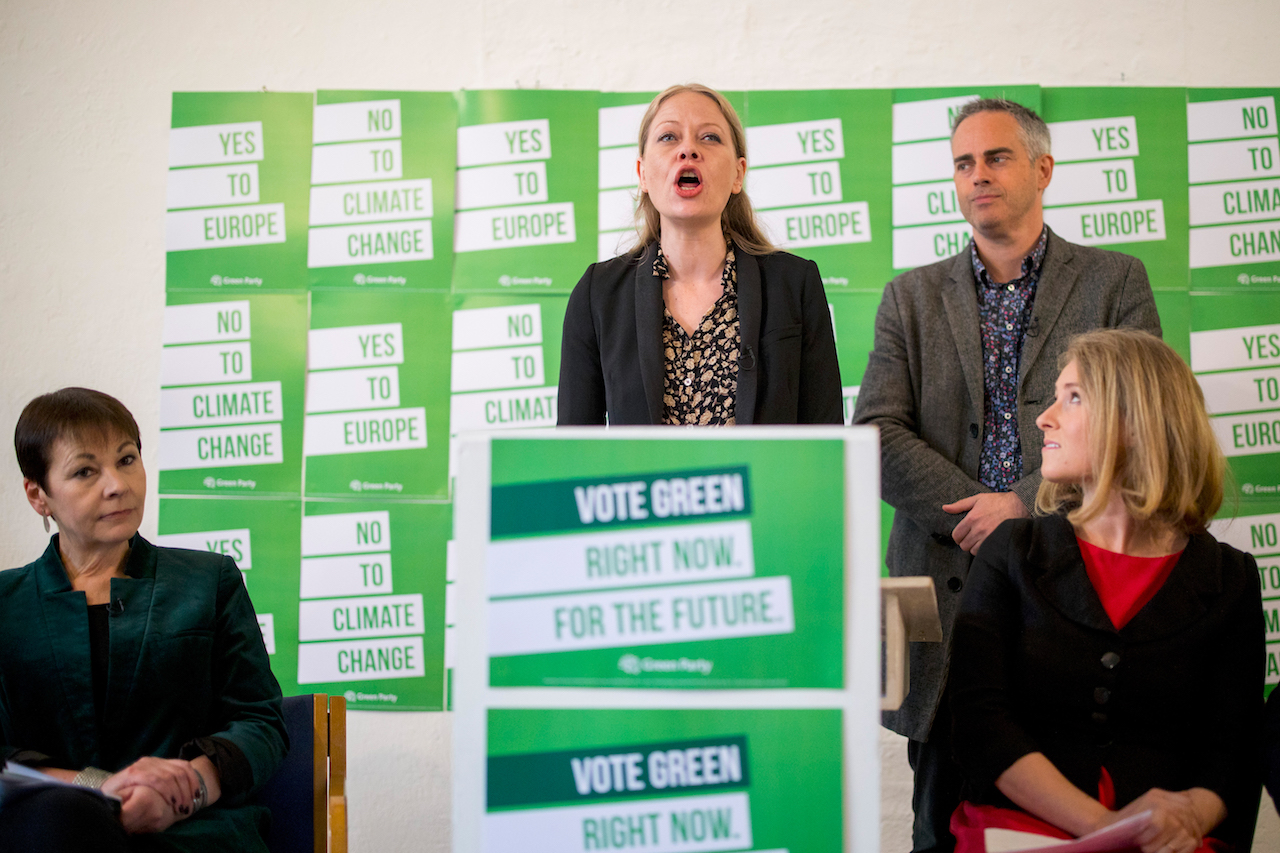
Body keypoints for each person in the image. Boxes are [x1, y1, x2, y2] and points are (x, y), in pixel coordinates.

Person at [852, 98, 1161, 853]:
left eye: (996, 158)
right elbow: (876, 434)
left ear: (1043, 168)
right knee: (942, 828)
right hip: (944, 599)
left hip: (1076, 591)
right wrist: (973, 511)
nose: (977, 175)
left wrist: (1020, 503)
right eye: (963, 163)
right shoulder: (910, 297)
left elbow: (1138, 419)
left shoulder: (1116, 282)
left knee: (1074, 823)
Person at [948, 329, 1264, 853]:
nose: (1044, 417)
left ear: (1137, 422)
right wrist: (1106, 830)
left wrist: (1180, 821)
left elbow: (1232, 751)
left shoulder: (1230, 578)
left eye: (1072, 397)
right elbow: (981, 725)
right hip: (1019, 833)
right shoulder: (1011, 550)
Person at [0, 388, 287, 852]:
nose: (117, 485)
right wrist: (101, 788)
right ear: (39, 495)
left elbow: (260, 722)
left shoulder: (208, 581)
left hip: (194, 831)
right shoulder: (5, 604)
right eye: (85, 471)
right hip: (51, 830)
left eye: (127, 459)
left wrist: (186, 789)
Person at [557, 83, 842, 426]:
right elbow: (572, 453)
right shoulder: (598, 294)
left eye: (709, 138)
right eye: (668, 137)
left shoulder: (795, 284)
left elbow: (826, 443)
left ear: (738, 174)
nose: (688, 150)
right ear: (643, 173)